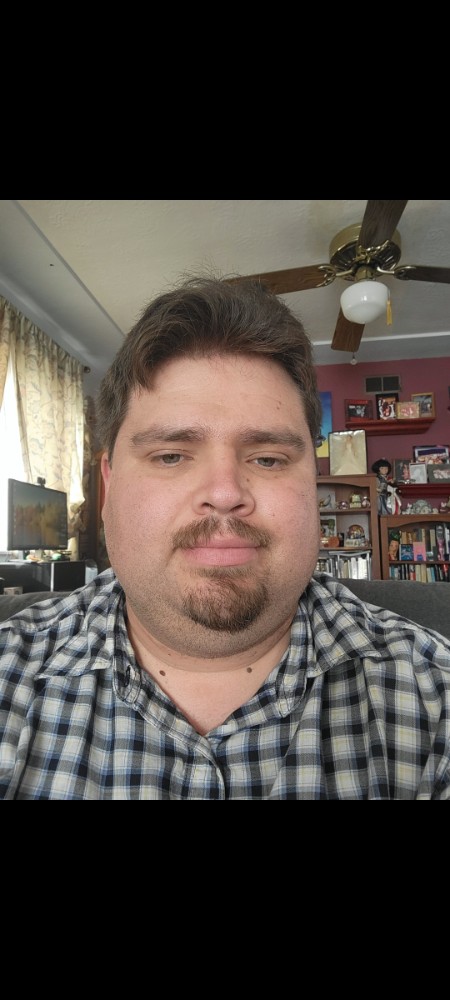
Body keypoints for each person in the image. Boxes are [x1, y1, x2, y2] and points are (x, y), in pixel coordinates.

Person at [0, 273, 449, 800]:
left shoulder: (436, 699)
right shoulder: (9, 677)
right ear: (109, 484)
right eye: (171, 455)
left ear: (313, 484)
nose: (224, 493)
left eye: (268, 458)